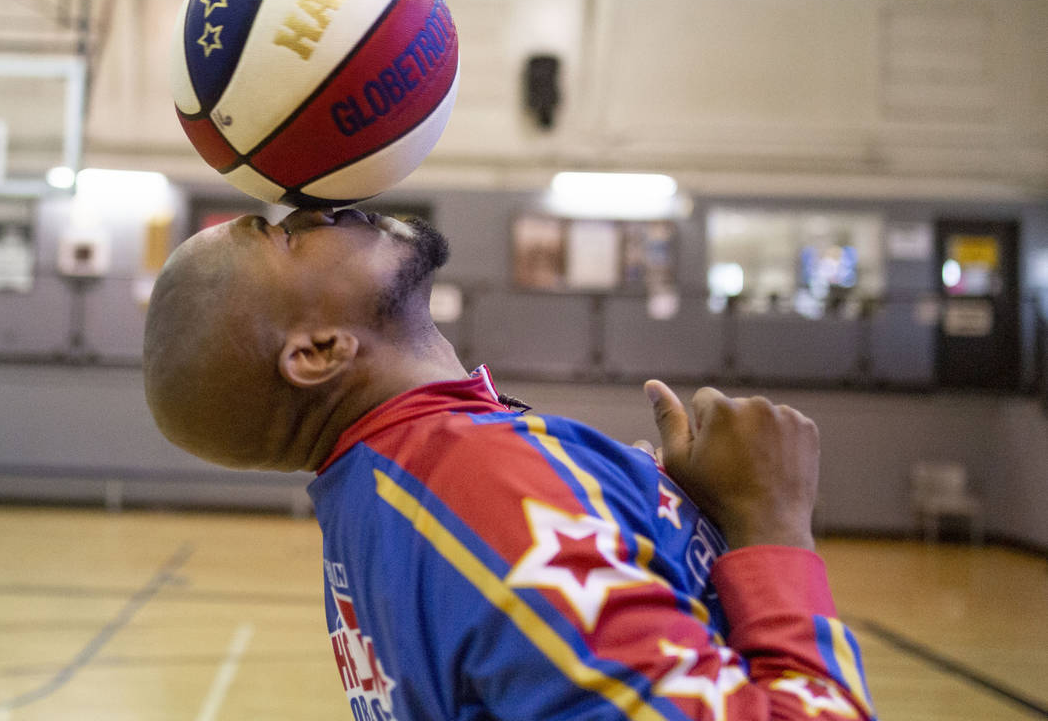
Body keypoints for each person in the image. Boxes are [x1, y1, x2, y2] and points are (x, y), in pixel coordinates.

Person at [143, 207, 876, 721]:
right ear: (318, 352)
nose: (317, 209)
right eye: (283, 236)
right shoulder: (483, 490)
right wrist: (774, 528)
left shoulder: (399, 485)